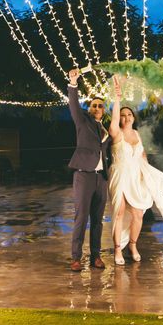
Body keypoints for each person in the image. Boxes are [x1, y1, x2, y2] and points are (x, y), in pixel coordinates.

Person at [108, 76, 163, 265]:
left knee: (138, 214)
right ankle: (117, 250)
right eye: (123, 115)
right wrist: (117, 97)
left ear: (134, 118)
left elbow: (142, 156)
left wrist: (148, 174)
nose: (126, 118)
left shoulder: (136, 134)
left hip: (136, 177)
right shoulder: (116, 133)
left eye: (129, 115)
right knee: (119, 213)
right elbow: (115, 120)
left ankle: (133, 245)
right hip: (120, 176)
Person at [66, 68, 111, 272]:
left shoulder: (105, 130)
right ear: (90, 108)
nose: (97, 108)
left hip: (101, 179)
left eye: (100, 105)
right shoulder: (82, 122)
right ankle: (76, 258)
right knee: (81, 217)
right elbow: (73, 105)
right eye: (93, 105)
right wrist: (73, 83)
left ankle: (96, 257)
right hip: (83, 175)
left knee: (98, 221)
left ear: (104, 109)